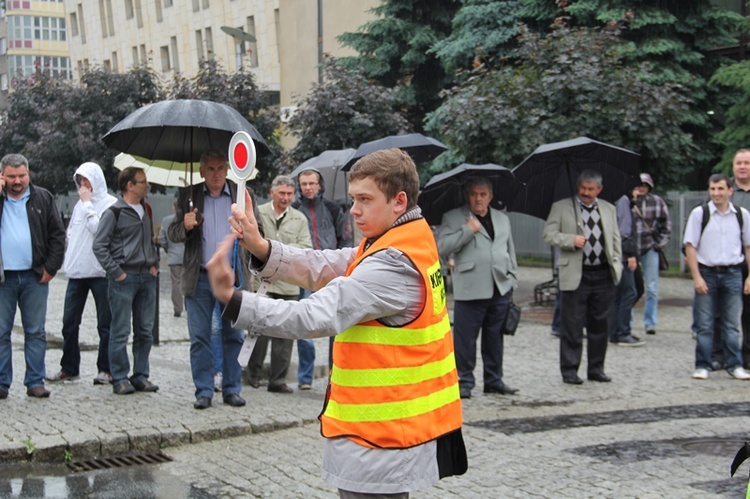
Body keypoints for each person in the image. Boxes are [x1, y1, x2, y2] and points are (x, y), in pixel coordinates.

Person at [207, 148, 467, 497]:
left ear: (399, 201)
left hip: (379, 438)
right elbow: (325, 264)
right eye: (352, 199)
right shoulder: (405, 240)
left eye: (364, 199)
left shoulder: (391, 263)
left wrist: (233, 299)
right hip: (387, 431)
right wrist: (261, 246)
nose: (354, 210)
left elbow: (309, 316)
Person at [168, 149, 259, 410]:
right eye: (211, 169)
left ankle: (232, 388)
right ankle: (204, 391)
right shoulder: (189, 195)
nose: (216, 173)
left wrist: (247, 233)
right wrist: (184, 226)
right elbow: (172, 233)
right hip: (198, 278)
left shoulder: (242, 195)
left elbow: (258, 230)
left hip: (232, 277)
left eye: (221, 168)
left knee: (234, 336)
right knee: (200, 337)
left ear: (228, 169)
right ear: (201, 172)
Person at [436, 177, 518, 400]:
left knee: (495, 338)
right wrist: (467, 230)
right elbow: (441, 247)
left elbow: (509, 249)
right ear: (467, 195)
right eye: (474, 194)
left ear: (490, 197)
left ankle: (494, 380)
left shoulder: (502, 218)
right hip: (470, 287)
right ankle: (464, 380)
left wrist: (513, 277)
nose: (478, 198)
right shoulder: (454, 217)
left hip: (500, 286)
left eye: (483, 194)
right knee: (465, 340)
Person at [543, 170, 622, 385]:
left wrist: (617, 264)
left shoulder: (608, 208)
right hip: (576, 273)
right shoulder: (562, 207)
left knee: (600, 324)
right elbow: (548, 234)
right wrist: (570, 240)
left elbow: (615, 240)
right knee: (572, 325)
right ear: (578, 186)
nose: (586, 193)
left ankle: (596, 368)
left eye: (591, 189)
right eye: (583, 188)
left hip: (603, 273)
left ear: (599, 190)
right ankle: (569, 370)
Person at [0, 153, 65, 399]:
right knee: (1, 332)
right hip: (3, 278)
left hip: (35, 276)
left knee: (36, 331)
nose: (17, 181)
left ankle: (35, 381)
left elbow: (58, 236)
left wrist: (51, 268)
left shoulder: (43, 198)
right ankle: (1, 382)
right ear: (2, 176)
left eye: (22, 175)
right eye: (11, 176)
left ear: (29, 174)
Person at [48, 162, 117, 385]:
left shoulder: (110, 204)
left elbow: (99, 231)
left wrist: (88, 205)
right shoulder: (79, 205)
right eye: (80, 181)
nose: (83, 185)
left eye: (86, 180)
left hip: (100, 272)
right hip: (77, 273)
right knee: (69, 322)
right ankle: (69, 367)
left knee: (105, 324)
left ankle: (105, 369)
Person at [93, 166, 160, 395]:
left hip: (146, 278)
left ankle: (140, 376)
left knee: (145, 330)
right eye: (143, 182)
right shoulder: (114, 213)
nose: (147, 185)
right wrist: (116, 272)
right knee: (120, 330)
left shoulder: (146, 210)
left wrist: (154, 264)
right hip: (124, 278)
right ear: (129, 185)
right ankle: (119, 377)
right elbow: (99, 246)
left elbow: (150, 241)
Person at [247, 175, 312, 394]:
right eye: (281, 193)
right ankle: (253, 375)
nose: (285, 198)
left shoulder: (299, 219)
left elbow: (305, 247)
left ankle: (277, 380)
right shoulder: (260, 212)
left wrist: (275, 250)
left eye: (289, 194)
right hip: (262, 281)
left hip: (288, 285)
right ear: (272, 192)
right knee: (258, 332)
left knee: (285, 335)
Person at [683, 173, 750, 381]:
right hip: (707, 271)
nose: (716, 193)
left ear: (730, 191)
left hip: (732, 272)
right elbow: (690, 247)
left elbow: (748, 247)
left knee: (731, 323)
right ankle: (703, 363)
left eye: (720, 189)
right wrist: (696, 277)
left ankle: (734, 364)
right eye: (712, 189)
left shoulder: (741, 214)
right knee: (705, 323)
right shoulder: (699, 214)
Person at [292, 167, 352, 390]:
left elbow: (345, 238)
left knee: (334, 326)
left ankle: (333, 373)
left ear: (320, 185)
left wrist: (341, 265)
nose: (308, 187)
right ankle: (305, 376)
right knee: (305, 324)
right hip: (305, 274)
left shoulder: (333, 208)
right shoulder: (295, 209)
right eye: (304, 184)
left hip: (330, 273)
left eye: (312, 183)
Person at [631, 173, 671, 336]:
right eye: (639, 185)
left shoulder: (658, 202)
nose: (642, 188)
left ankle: (650, 322)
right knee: (631, 288)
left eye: (645, 185)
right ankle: (628, 320)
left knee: (652, 287)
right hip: (631, 250)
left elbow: (666, 227)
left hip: (650, 248)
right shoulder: (628, 202)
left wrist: (658, 244)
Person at [608, 193, 644, 346]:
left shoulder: (616, 199)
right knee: (629, 292)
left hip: (615, 254)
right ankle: (623, 332)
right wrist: (630, 254)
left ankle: (614, 332)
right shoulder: (623, 200)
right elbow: (624, 230)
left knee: (618, 295)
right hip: (623, 256)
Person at [731, 149, 750, 368]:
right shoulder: (724, 190)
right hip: (728, 259)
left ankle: (747, 354)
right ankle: (720, 354)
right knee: (723, 312)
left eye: (746, 163)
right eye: (739, 163)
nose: (743, 166)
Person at [158, 200, 185, 318]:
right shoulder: (187, 219)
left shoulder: (166, 220)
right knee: (190, 281)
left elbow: (162, 238)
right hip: (188, 257)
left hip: (174, 257)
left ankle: (178, 308)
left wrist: (168, 250)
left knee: (176, 283)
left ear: (174, 207)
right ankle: (189, 306)